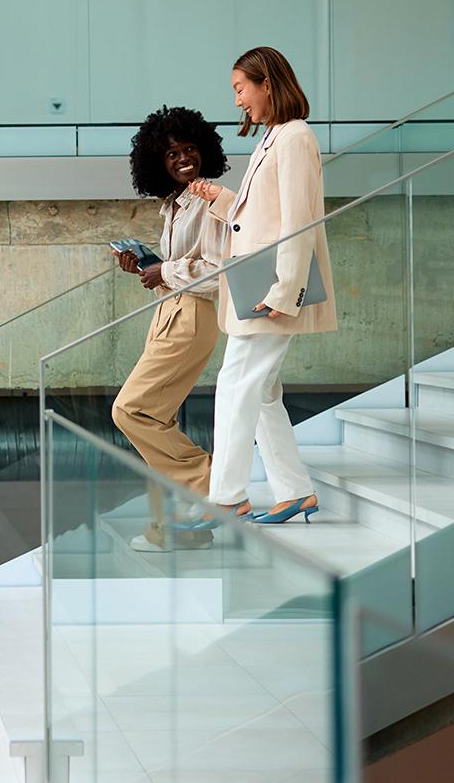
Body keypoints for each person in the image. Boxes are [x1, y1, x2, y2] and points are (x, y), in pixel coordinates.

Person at [186, 46, 337, 526]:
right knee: (264, 392)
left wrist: (284, 291)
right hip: (261, 283)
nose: (237, 100)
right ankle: (296, 492)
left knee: (236, 384)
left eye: (240, 89)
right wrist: (222, 198)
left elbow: (299, 221)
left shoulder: (295, 138)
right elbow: (265, 213)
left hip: (272, 288)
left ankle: (227, 497)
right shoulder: (275, 136)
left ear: (266, 84)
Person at [110, 106, 230, 551]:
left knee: (131, 411)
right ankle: (176, 531)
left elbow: (221, 271)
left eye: (190, 149)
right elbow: (178, 269)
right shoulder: (175, 205)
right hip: (169, 313)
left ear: (205, 150)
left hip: (192, 316)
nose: (183, 159)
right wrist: (147, 269)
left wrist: (165, 271)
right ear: (156, 162)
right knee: (159, 419)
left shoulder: (211, 202)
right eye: (172, 153)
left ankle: (214, 485)